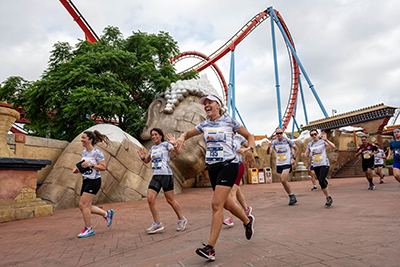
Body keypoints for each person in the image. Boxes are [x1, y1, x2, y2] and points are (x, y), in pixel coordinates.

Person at [176, 95, 255, 261]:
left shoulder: (229, 121)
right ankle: (247, 221)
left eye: (209, 102)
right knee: (227, 203)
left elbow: (250, 137)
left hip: (229, 165)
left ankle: (210, 248)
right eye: (205, 103)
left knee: (216, 204)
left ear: (218, 105)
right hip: (213, 168)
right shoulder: (205, 124)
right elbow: (188, 133)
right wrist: (182, 137)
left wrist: (250, 151)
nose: (206, 105)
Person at [137, 128, 187, 234]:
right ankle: (157, 223)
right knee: (150, 199)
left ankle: (182, 219)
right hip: (156, 176)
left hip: (166, 176)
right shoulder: (153, 148)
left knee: (170, 200)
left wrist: (174, 144)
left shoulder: (166, 145)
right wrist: (142, 158)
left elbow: (177, 152)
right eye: (152, 135)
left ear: (160, 135)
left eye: (156, 134)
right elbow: (147, 160)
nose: (154, 137)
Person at [73, 130, 114, 238]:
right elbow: (84, 166)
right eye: (81, 138)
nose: (81, 140)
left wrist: (91, 165)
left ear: (90, 140)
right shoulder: (84, 153)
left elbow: (103, 167)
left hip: (94, 181)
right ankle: (106, 214)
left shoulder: (97, 153)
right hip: (86, 180)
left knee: (83, 205)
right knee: (86, 207)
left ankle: (88, 228)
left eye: (83, 138)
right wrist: (78, 169)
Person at [223, 133, 252, 227]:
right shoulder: (222, 137)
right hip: (226, 167)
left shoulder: (239, 138)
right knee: (237, 190)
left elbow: (250, 146)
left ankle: (230, 217)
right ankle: (246, 209)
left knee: (232, 190)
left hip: (238, 166)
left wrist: (245, 149)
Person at [301, 129, 335, 208]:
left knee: (321, 180)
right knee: (320, 182)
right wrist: (304, 155)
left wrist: (326, 140)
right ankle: (328, 197)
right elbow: (307, 154)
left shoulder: (322, 141)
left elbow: (333, 147)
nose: (313, 136)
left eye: (315, 134)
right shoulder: (310, 144)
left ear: (317, 134)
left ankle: (328, 198)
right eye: (312, 135)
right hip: (316, 165)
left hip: (324, 164)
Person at [266, 127, 299, 205]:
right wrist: (268, 146)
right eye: (277, 133)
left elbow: (296, 149)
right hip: (279, 164)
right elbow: (268, 152)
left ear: (282, 133)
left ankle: (291, 195)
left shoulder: (287, 141)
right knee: (282, 181)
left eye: (280, 133)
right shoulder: (274, 142)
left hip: (287, 163)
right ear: (276, 134)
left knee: (283, 179)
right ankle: (291, 195)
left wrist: (293, 158)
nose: (279, 135)